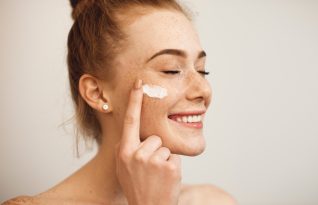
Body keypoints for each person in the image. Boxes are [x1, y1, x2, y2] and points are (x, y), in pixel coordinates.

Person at [3, 0, 237, 204]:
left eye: (201, 70)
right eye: (171, 70)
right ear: (97, 93)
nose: (204, 90)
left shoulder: (217, 201)